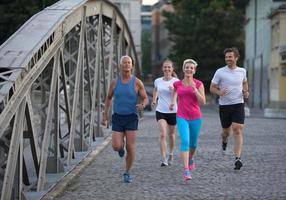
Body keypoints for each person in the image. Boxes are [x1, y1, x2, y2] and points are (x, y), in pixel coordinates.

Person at [102, 55, 148, 183]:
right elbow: (108, 98)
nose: (127, 64)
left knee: (131, 147)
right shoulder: (114, 82)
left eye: (129, 62)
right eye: (124, 63)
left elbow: (145, 98)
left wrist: (143, 104)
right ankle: (120, 148)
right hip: (117, 117)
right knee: (116, 146)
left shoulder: (137, 82)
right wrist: (105, 114)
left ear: (132, 65)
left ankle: (127, 172)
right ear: (120, 65)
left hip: (131, 117)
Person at [210, 47, 249, 170]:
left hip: (238, 104)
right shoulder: (220, 72)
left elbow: (244, 83)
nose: (228, 59)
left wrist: (246, 92)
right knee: (226, 132)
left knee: (238, 129)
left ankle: (238, 158)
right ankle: (224, 142)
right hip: (225, 106)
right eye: (226, 57)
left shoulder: (242, 71)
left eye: (230, 57)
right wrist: (220, 93)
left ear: (236, 58)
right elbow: (212, 87)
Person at [170, 59, 206, 180]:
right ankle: (186, 170)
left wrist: (194, 89)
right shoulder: (178, 84)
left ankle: (191, 158)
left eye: (191, 68)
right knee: (185, 141)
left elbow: (203, 102)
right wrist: (172, 102)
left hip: (196, 117)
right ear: (183, 69)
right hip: (182, 116)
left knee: (193, 144)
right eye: (187, 67)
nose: (189, 69)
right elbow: (175, 91)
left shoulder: (199, 84)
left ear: (194, 70)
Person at [152, 59, 179, 167]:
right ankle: (164, 158)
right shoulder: (158, 81)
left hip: (173, 111)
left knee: (171, 134)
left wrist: (173, 97)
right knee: (163, 134)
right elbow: (156, 90)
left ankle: (171, 153)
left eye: (169, 67)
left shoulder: (176, 81)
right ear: (162, 68)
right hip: (161, 110)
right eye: (165, 67)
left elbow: (178, 94)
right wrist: (154, 100)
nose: (167, 69)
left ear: (172, 69)